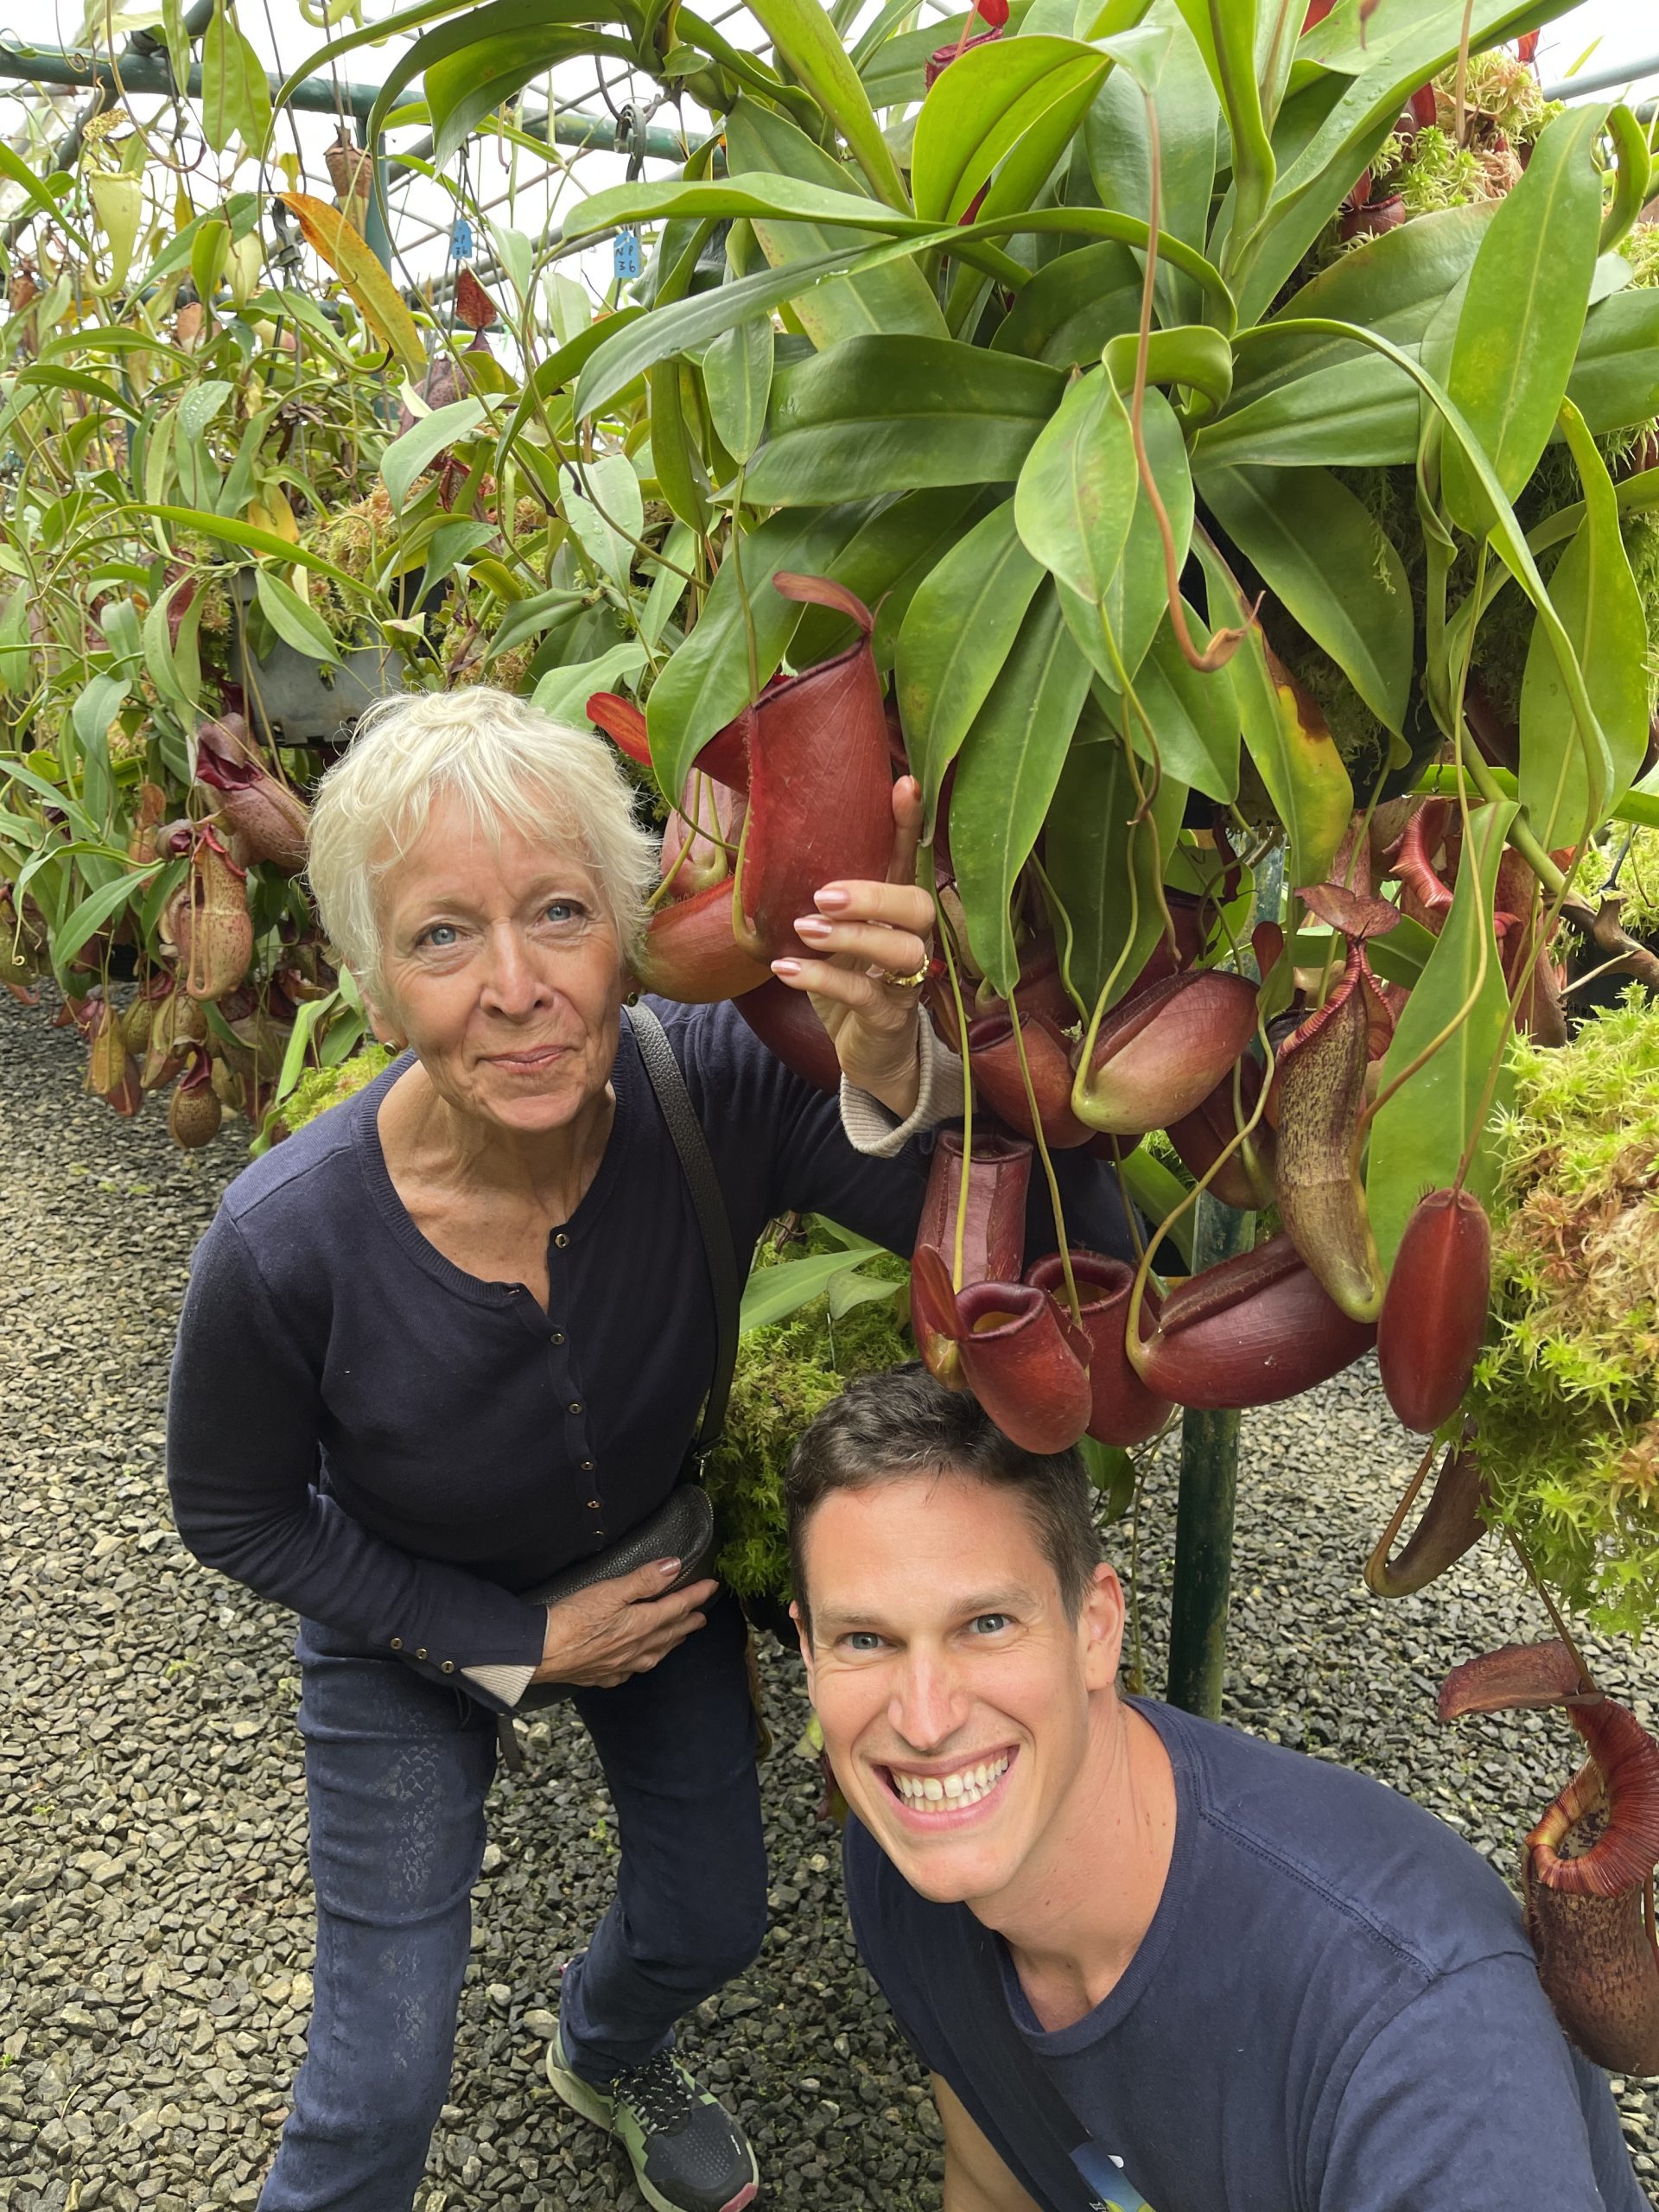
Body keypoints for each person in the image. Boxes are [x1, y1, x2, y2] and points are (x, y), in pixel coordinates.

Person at [166, 688, 1128, 2212]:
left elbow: (1072, 1249)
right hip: (407, 1624)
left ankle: (604, 2049)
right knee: (373, 2090)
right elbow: (232, 1513)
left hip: (649, 1581)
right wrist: (514, 1641)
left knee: (711, 1919)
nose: (516, 987)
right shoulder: (286, 1244)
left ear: (633, 928)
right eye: (438, 938)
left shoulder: (713, 1086)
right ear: (364, 986)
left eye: (560, 912)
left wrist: (906, 1064)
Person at [784, 1367, 1647, 2212]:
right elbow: (994, 2173)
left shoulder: (1416, 2027)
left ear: (1097, 1627)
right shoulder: (903, 1859)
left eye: (986, 1623)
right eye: (865, 1639)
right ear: (808, 1648)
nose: (925, 1721)